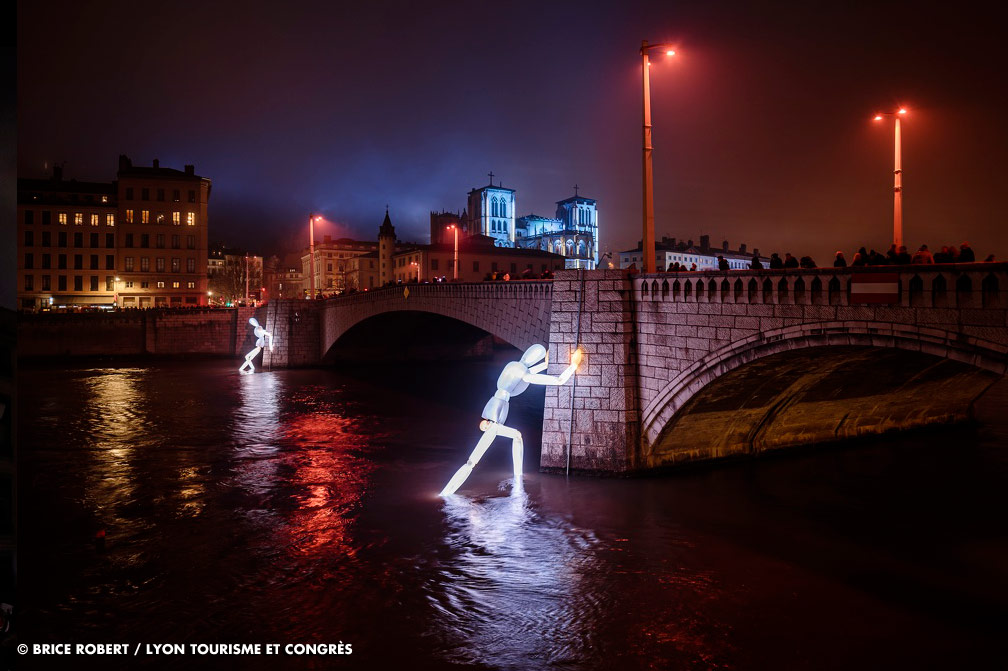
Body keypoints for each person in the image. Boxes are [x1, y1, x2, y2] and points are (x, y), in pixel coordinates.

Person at [440, 344, 582, 496]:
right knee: (472, 461)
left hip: (494, 406)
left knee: (516, 436)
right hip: (497, 411)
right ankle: (446, 493)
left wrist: (545, 364)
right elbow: (558, 380)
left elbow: (527, 373)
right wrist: (573, 366)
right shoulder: (523, 373)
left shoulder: (513, 366)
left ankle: (518, 476)